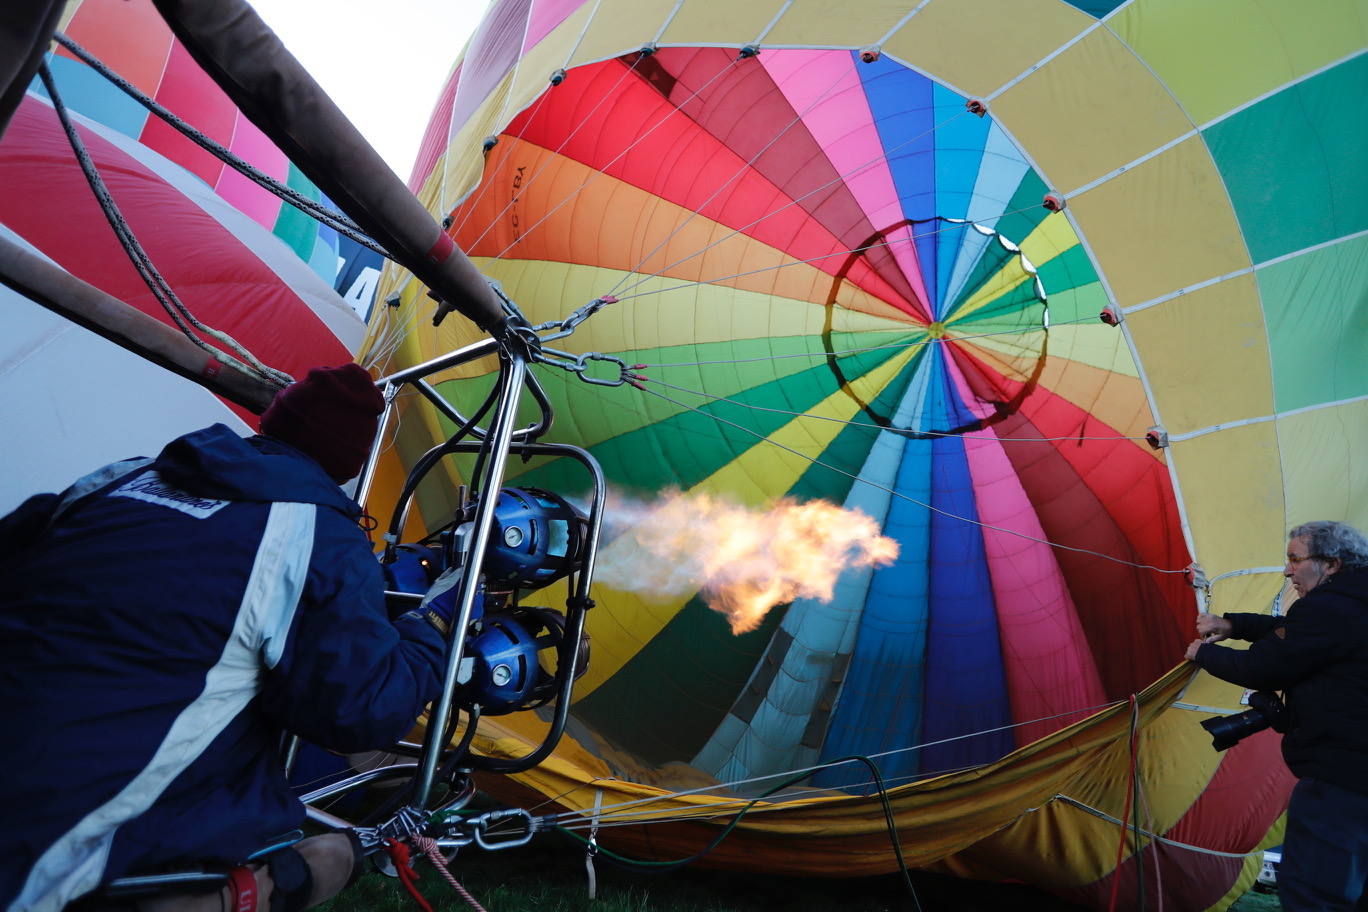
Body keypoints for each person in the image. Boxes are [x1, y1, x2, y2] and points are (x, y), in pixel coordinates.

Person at [0, 364, 451, 912]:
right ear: (349, 461)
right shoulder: (315, 536)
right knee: (322, 854)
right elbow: (363, 711)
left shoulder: (121, 477)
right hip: (53, 838)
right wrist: (433, 629)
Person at [1186, 520, 1368, 912]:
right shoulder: (1353, 605)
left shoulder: (1329, 608)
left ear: (1331, 564)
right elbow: (1294, 631)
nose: (1287, 570)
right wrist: (1233, 624)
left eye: (1293, 559)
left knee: (1314, 894)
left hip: (1342, 780)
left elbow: (1262, 669)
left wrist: (1203, 654)